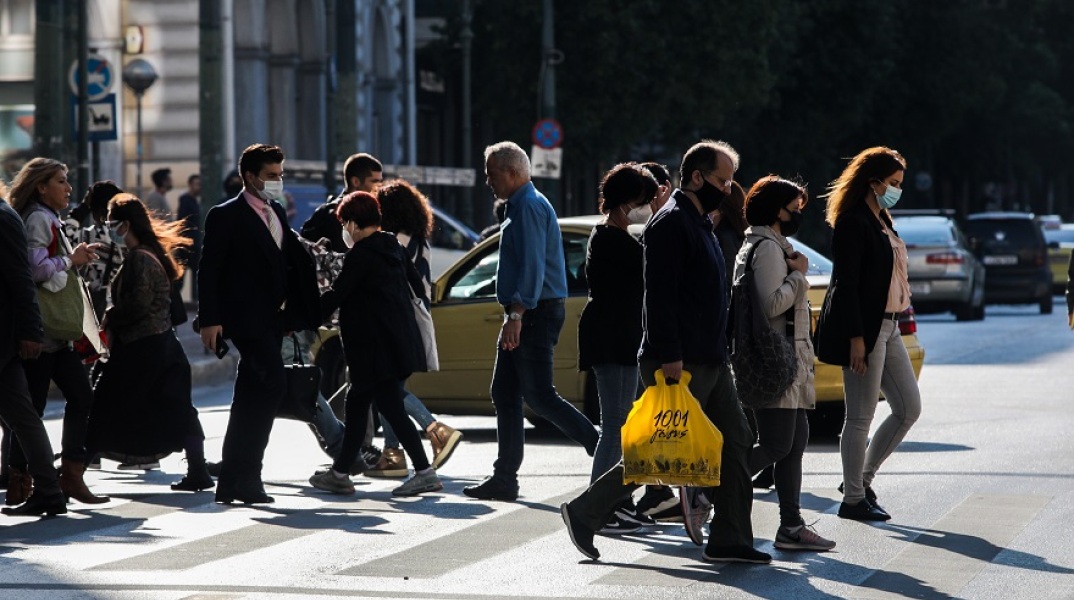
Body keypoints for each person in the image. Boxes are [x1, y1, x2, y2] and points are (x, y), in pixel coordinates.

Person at [560, 140, 771, 565]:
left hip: (709, 356)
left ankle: (730, 538)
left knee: (737, 438)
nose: (728, 189)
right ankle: (584, 512)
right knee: (659, 450)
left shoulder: (698, 221)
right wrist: (670, 353)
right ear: (696, 176)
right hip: (681, 360)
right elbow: (659, 295)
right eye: (722, 180)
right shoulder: (671, 222)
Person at [463, 141, 598, 502]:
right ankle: (504, 477)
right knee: (505, 393)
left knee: (540, 396)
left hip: (534, 313)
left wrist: (517, 314)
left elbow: (533, 267)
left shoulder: (529, 206)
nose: (488, 181)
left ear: (511, 172)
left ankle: (604, 451)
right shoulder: (520, 204)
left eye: (492, 174)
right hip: (527, 312)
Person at [197, 143, 320, 505]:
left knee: (251, 394)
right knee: (272, 385)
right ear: (249, 177)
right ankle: (248, 475)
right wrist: (210, 320)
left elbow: (284, 264)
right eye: (271, 175)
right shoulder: (225, 215)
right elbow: (209, 269)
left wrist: (291, 315)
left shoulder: (276, 211)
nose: (277, 181)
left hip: (274, 319)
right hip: (244, 319)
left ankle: (232, 481)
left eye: (280, 174)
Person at [307, 191, 442, 497]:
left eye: (345, 223)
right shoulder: (393, 246)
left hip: (373, 349)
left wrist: (302, 317)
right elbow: (415, 284)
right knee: (358, 404)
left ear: (354, 224)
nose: (345, 230)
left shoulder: (362, 255)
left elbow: (337, 294)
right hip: (396, 343)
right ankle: (341, 473)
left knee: (388, 408)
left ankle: (424, 472)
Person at [813, 146, 921, 522]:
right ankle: (853, 500)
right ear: (872, 182)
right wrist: (856, 339)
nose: (896, 190)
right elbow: (846, 285)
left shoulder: (882, 219)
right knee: (860, 416)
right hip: (866, 330)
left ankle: (861, 480)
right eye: (892, 183)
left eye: (900, 184)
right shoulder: (853, 221)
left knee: (908, 408)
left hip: (890, 326)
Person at [734, 175, 835, 551]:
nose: (798, 214)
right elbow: (771, 304)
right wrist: (799, 277)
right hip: (774, 361)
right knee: (777, 445)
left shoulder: (771, 245)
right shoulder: (767, 249)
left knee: (794, 443)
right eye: (794, 208)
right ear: (776, 210)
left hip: (787, 359)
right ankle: (710, 489)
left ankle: (791, 526)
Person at [86, 194, 213, 492]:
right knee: (179, 409)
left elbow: (138, 305)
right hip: (161, 345)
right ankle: (198, 469)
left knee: (104, 405)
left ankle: (73, 470)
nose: (110, 230)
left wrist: (110, 317)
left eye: (113, 224)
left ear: (127, 225)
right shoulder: (147, 254)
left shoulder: (140, 258)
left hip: (142, 347)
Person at [6, 158, 108, 506]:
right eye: (61, 181)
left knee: (77, 398)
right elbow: (34, 270)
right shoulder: (37, 218)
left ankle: (69, 475)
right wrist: (71, 260)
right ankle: (25, 481)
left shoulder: (47, 217)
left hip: (56, 333)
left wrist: (74, 258)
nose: (68, 188)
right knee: (31, 410)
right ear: (41, 187)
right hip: (43, 331)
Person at [577, 163, 658, 533]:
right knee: (615, 425)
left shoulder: (612, 235)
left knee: (622, 424)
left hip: (617, 337)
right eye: (643, 201)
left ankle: (615, 503)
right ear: (627, 201)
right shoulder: (612, 238)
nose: (646, 208)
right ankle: (597, 508)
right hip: (613, 339)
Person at [369, 179, 464, 476]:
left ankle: (435, 429)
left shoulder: (392, 241)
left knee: (386, 389)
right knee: (390, 388)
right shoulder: (419, 239)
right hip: (413, 319)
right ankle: (393, 455)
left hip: (395, 319)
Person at [0, 187, 67, 517]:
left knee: (24, 418)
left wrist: (30, 331)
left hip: (3, 338)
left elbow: (22, 280)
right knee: (24, 418)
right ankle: (49, 490)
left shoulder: (4, 218)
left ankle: (49, 489)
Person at [301, 153, 384, 253]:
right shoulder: (334, 215)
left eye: (381, 182)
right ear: (355, 181)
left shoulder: (373, 211)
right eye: (375, 181)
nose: (380, 187)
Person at [177, 174, 202, 300]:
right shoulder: (186, 201)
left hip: (193, 244)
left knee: (195, 275)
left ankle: (195, 301)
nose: (199, 187)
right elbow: (183, 221)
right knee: (181, 277)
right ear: (191, 185)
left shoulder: (193, 201)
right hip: (187, 244)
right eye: (197, 184)